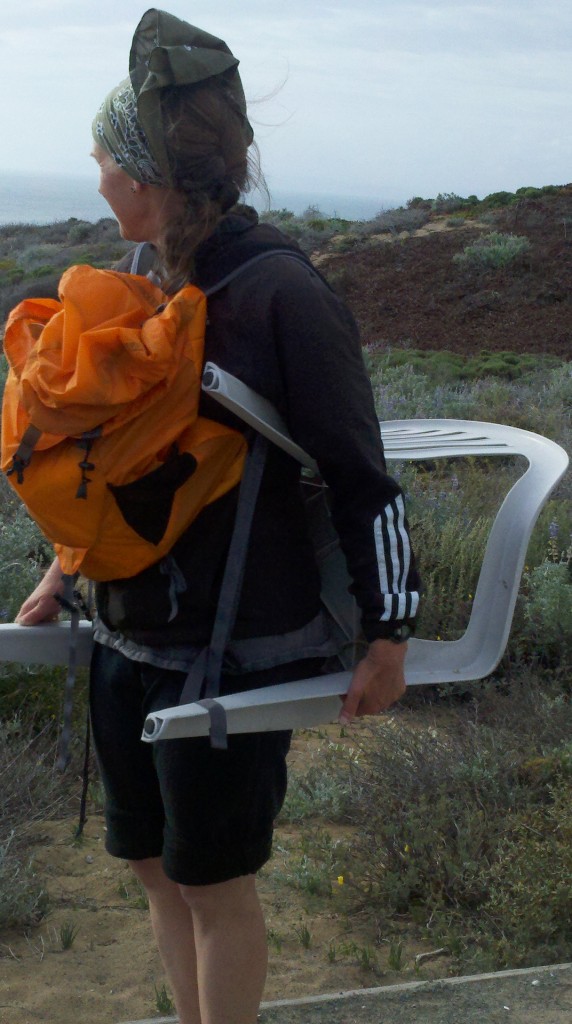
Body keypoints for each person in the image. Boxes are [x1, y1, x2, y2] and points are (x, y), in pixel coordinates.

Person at [14, 9, 420, 1024]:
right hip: (126, 632)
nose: (96, 175)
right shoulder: (161, 281)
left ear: (144, 178)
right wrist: (64, 574)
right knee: (154, 868)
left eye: (103, 157)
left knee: (214, 885)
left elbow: (361, 473)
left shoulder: (279, 290)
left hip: (229, 652)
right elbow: (123, 473)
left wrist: (388, 634)